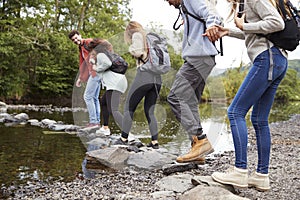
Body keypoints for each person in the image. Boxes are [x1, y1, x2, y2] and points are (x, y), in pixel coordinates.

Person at [210, 0, 287, 191]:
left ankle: (240, 171)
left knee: (235, 112)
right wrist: (228, 31)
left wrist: (244, 25)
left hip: (267, 58)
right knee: (260, 119)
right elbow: (255, 31)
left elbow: (277, 23)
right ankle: (261, 176)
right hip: (277, 59)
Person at [164, 0, 222, 163]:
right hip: (204, 58)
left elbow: (213, 14)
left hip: (198, 58)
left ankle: (201, 139)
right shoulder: (186, 7)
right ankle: (197, 149)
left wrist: (212, 25)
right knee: (189, 101)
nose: (168, 3)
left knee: (175, 97)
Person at [114, 21, 162, 149]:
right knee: (150, 111)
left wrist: (130, 48)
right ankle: (154, 142)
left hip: (144, 76)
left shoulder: (137, 35)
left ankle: (123, 139)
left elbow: (138, 52)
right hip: (157, 78)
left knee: (128, 107)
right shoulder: (150, 37)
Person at [88, 38, 128, 136]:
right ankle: (105, 128)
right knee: (103, 102)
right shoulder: (107, 54)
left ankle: (127, 132)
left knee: (113, 109)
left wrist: (96, 68)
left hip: (114, 83)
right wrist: (95, 63)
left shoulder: (101, 55)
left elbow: (107, 64)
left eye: (91, 50)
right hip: (118, 82)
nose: (91, 53)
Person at [68, 30, 101, 128]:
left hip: (96, 72)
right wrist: (80, 78)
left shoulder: (88, 42)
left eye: (76, 37)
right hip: (93, 73)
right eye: (73, 40)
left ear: (80, 35)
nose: (75, 40)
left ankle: (93, 122)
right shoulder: (81, 48)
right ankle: (97, 122)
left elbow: (99, 50)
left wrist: (93, 59)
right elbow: (83, 65)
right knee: (94, 98)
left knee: (87, 96)